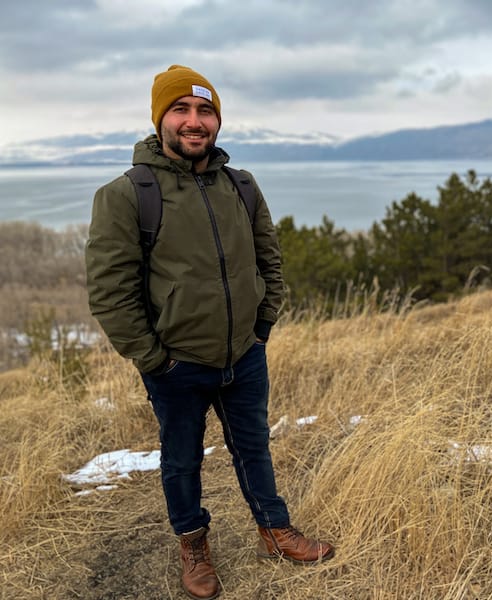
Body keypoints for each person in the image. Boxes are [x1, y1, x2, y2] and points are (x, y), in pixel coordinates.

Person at [85, 65, 334, 600]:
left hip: (244, 353)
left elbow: (269, 260)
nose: (195, 122)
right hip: (177, 363)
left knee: (254, 447)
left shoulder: (241, 185)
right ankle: (193, 545)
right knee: (181, 459)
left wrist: (262, 326)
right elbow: (110, 292)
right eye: (182, 110)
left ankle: (274, 530)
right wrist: (154, 359)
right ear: (160, 119)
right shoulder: (128, 195)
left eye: (206, 111)